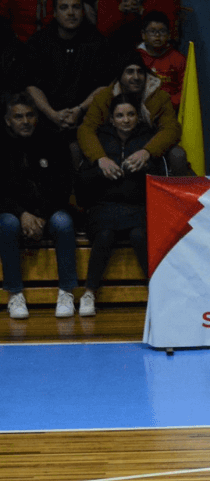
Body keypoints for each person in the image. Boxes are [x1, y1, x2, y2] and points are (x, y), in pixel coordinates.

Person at [75, 94, 164, 316]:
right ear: (112, 120)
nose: (126, 120)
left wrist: (145, 168)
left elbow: (163, 180)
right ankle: (89, 293)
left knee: (138, 235)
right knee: (105, 235)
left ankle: (158, 290)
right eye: (120, 115)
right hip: (103, 207)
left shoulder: (149, 140)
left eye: (131, 114)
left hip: (138, 207)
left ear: (138, 117)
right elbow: (82, 182)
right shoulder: (99, 141)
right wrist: (101, 169)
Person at [1, 92, 78, 319]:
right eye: (18, 117)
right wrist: (22, 213)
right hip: (13, 212)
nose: (25, 121)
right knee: (7, 224)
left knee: (63, 222)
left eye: (29, 115)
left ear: (36, 117)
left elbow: (63, 187)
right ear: (8, 120)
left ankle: (66, 292)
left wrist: (41, 216)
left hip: (49, 210)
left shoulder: (53, 140)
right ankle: (15, 294)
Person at [76, 49, 190, 177]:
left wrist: (147, 151)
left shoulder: (159, 97)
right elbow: (86, 129)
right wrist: (100, 157)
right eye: (130, 72)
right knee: (74, 148)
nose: (136, 77)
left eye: (140, 72)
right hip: (112, 145)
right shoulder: (105, 97)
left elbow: (171, 129)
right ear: (120, 75)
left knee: (178, 154)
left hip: (148, 145)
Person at [24, 0, 113, 139]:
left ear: (83, 11)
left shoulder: (98, 42)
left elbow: (104, 85)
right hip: (46, 119)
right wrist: (52, 114)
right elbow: (31, 84)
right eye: (64, 7)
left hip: (87, 117)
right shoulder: (38, 42)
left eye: (76, 7)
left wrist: (79, 110)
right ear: (54, 13)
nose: (71, 13)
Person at [136, 11, 184, 110]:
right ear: (143, 34)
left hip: (168, 109)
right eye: (152, 31)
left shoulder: (178, 59)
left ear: (169, 35)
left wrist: (167, 104)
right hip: (139, 107)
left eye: (162, 31)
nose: (157, 36)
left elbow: (185, 90)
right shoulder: (135, 56)